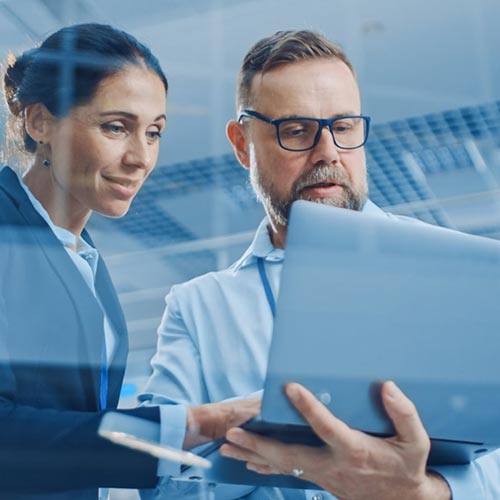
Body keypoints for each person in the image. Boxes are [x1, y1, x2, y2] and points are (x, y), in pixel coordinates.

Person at [140, 29, 500, 499]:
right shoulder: (199, 306)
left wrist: (423, 492)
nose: (328, 152)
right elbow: (156, 480)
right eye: (296, 131)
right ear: (242, 143)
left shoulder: (459, 279)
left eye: (345, 127)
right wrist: (278, 457)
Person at [0, 23, 258, 500]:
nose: (141, 157)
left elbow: (78, 431)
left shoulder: (87, 261)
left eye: (154, 132)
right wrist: (197, 423)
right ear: (40, 123)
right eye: (116, 127)